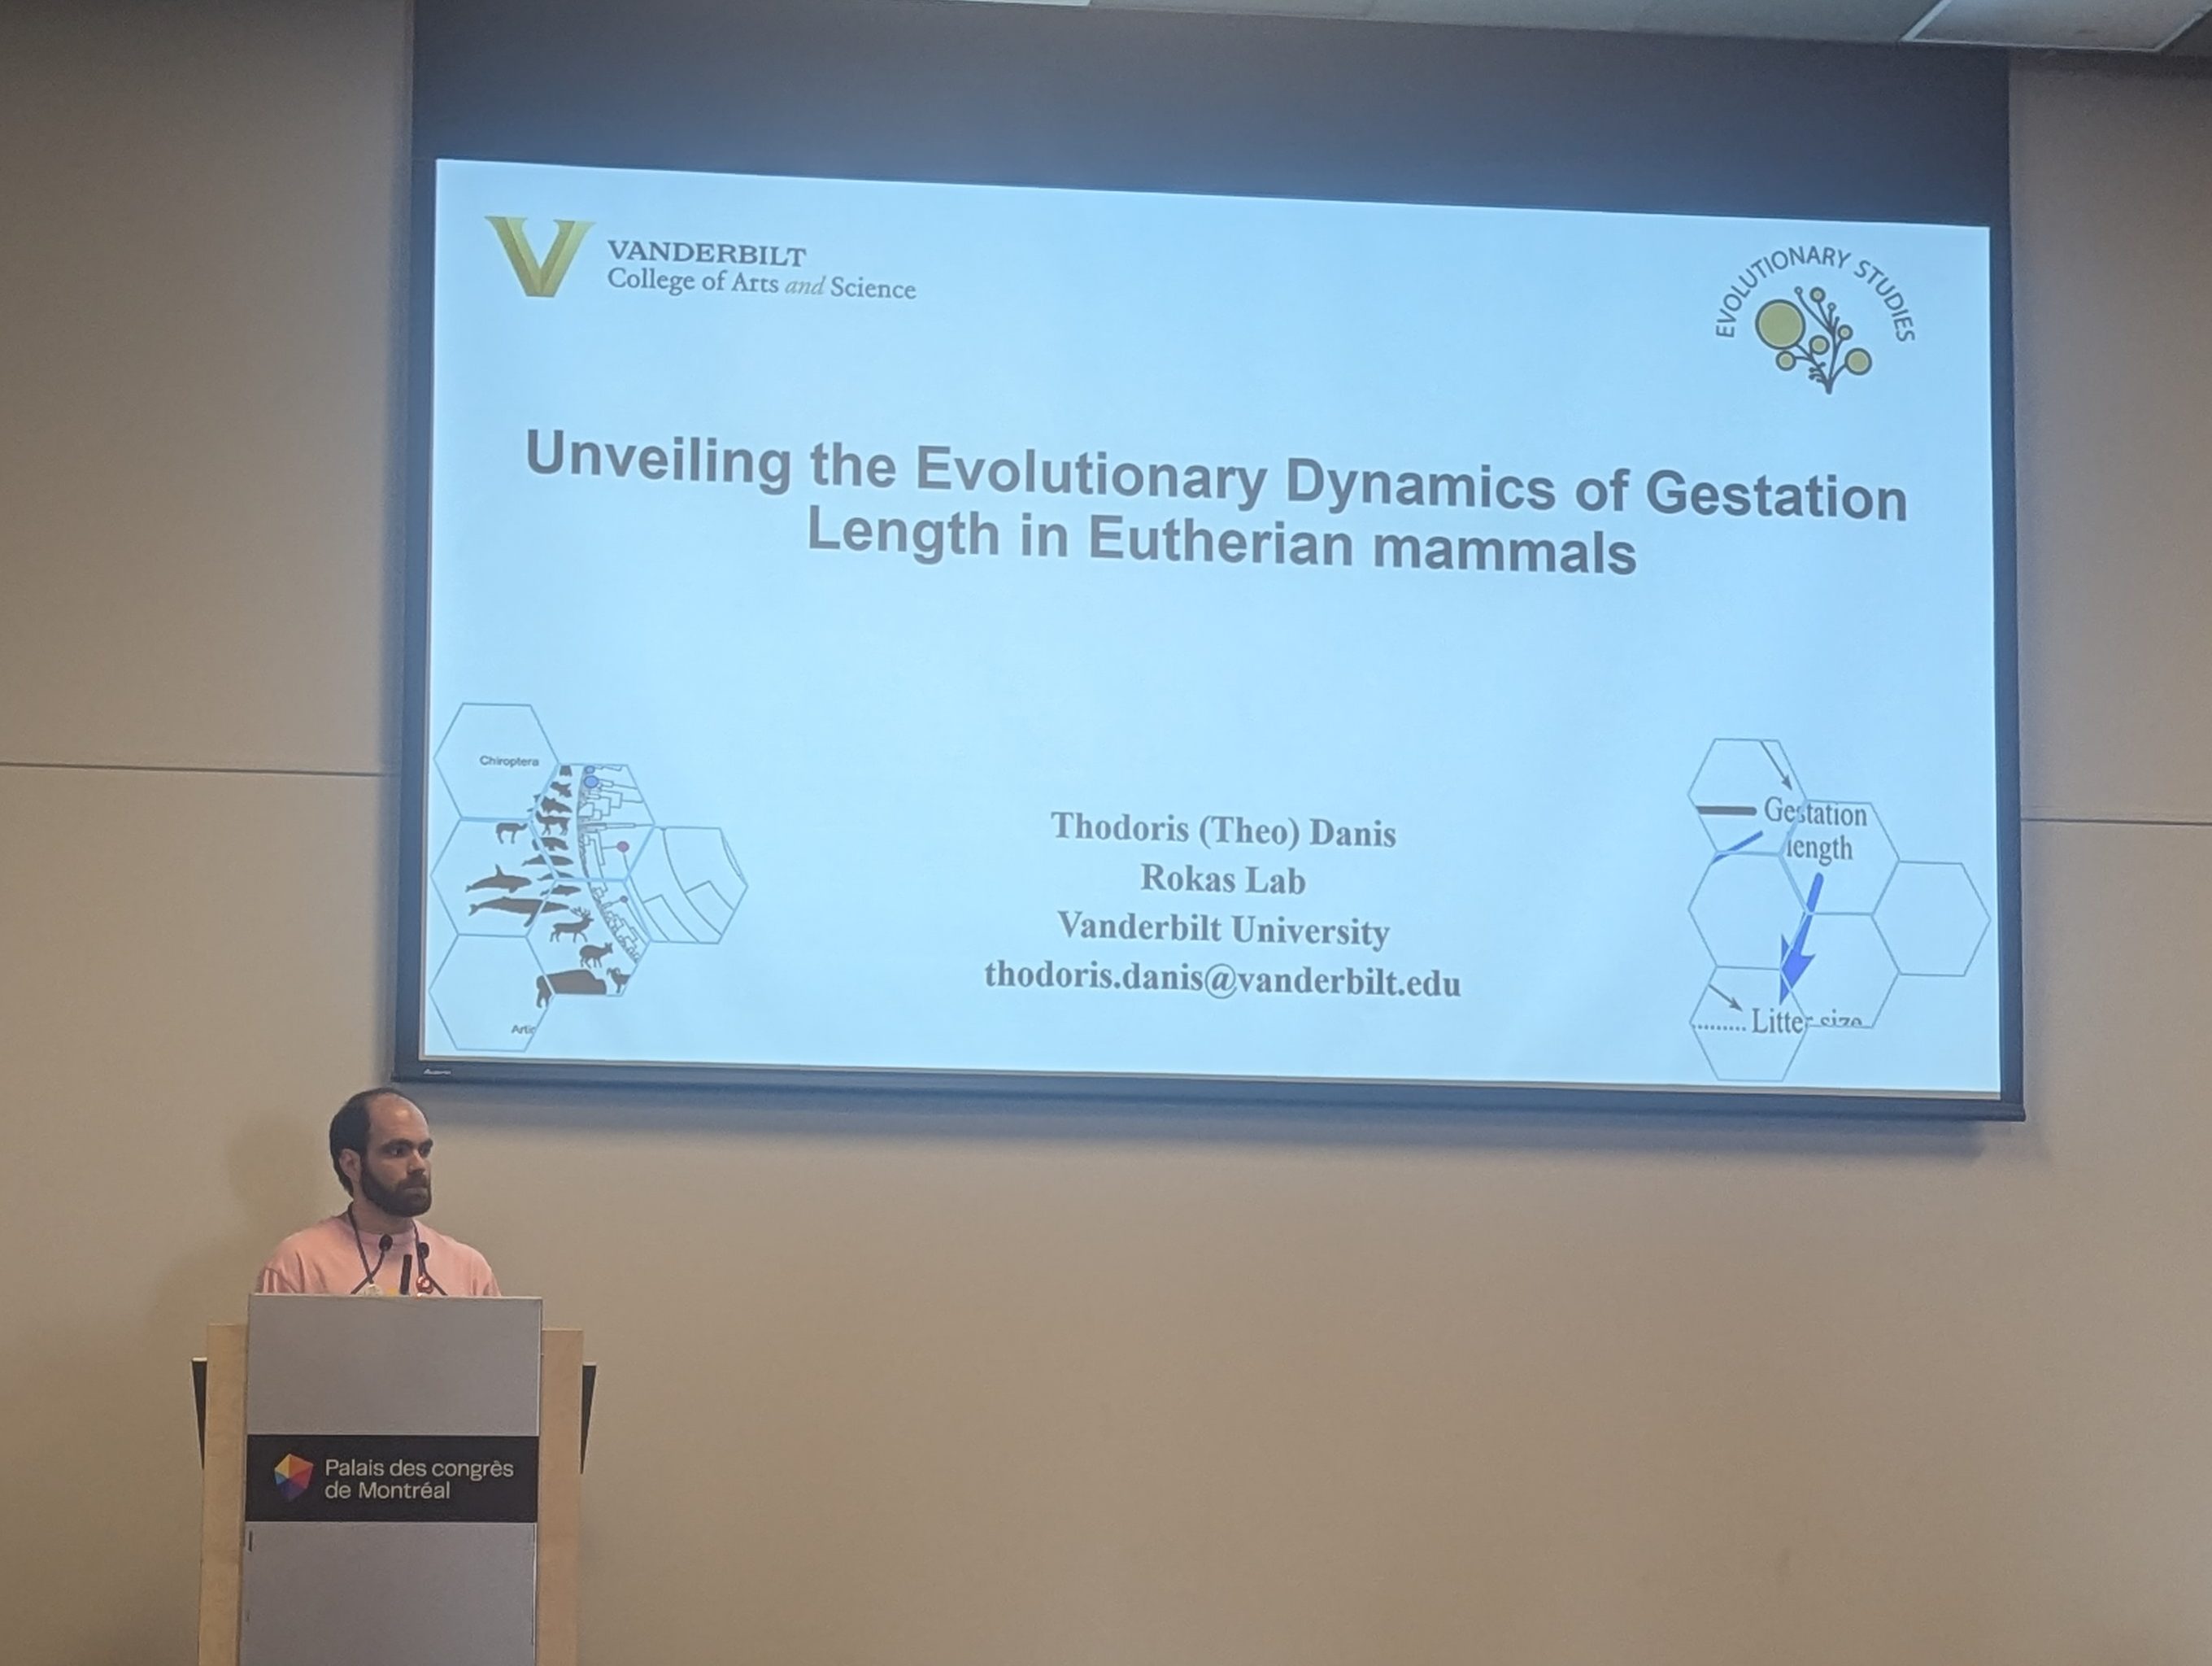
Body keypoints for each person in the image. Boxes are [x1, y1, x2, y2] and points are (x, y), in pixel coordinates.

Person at [257, 1088, 501, 1296]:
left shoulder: (470, 1269)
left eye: (424, 1151)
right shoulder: (299, 1263)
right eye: (398, 1151)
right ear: (351, 1164)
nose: (419, 1166)